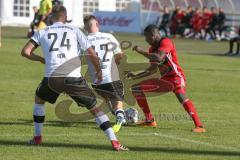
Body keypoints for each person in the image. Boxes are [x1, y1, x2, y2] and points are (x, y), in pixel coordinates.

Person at [21, 5, 128, 151]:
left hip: (52, 77)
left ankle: (38, 137)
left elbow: (25, 52)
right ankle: (115, 142)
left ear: (51, 17)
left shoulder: (43, 31)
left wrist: (40, 59)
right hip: (73, 77)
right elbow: (92, 53)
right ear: (65, 17)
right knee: (95, 109)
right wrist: (99, 72)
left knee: (39, 101)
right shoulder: (75, 30)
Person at [125, 24, 206, 133]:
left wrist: (141, 51)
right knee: (136, 88)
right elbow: (152, 70)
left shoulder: (166, 42)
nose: (146, 39)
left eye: (146, 37)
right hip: (164, 79)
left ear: (153, 35)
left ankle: (199, 126)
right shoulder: (152, 48)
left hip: (175, 76)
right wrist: (136, 76)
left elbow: (159, 58)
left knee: (181, 96)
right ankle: (150, 120)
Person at [83, 15, 126, 133]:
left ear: (85, 27)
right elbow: (120, 54)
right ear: (97, 24)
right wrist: (115, 63)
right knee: (118, 101)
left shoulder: (83, 40)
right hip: (111, 76)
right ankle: (121, 116)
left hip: (96, 81)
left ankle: (119, 113)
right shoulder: (108, 36)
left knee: (108, 99)